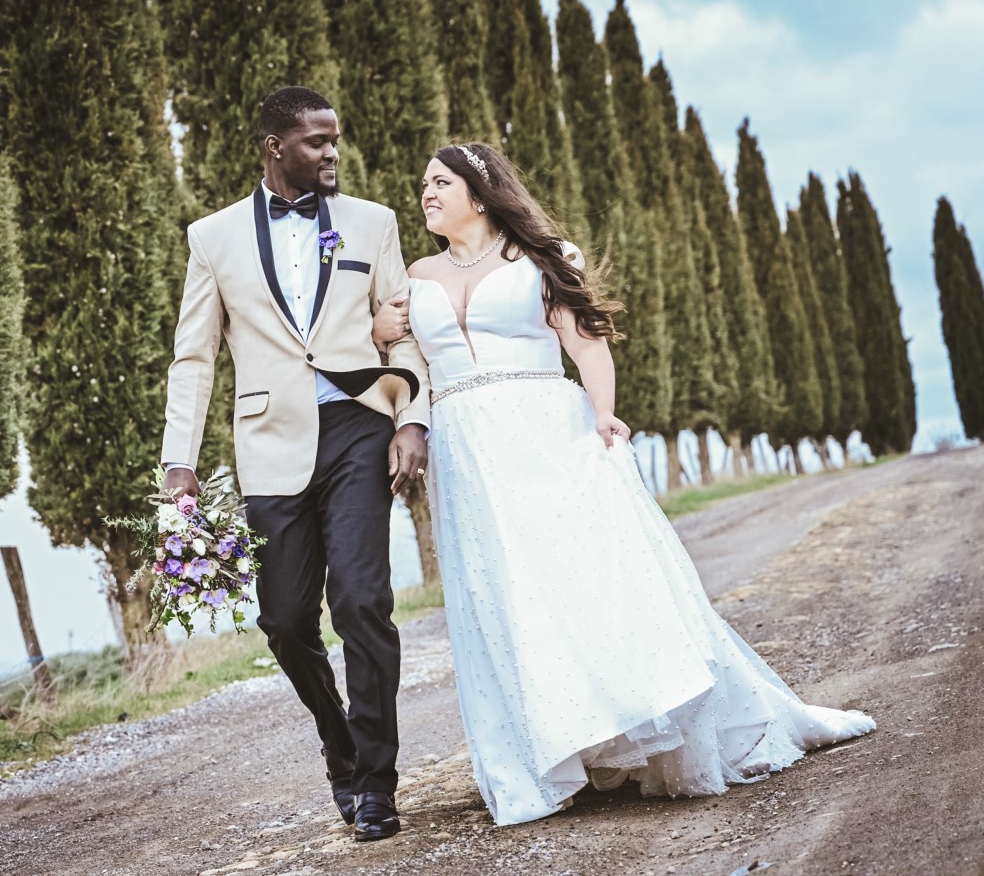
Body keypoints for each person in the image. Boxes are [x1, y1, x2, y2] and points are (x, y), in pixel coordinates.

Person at [370, 141, 876, 827]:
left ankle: (661, 723)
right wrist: (382, 330)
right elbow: (404, 354)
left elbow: (586, 345)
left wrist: (604, 414)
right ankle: (546, 755)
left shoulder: (542, 260)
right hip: (468, 450)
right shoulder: (417, 274)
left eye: (439, 182)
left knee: (586, 579)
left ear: (480, 195)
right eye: (423, 182)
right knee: (506, 597)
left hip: (545, 430)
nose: (425, 192)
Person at [160, 87, 430, 842]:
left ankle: (376, 783)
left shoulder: (373, 224)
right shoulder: (211, 238)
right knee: (283, 620)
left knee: (361, 601)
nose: (331, 153)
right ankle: (340, 745)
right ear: (274, 147)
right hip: (269, 443)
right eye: (316, 142)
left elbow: (403, 336)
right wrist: (177, 460)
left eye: (335, 140)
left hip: (356, 426)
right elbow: (194, 355)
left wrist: (411, 417)